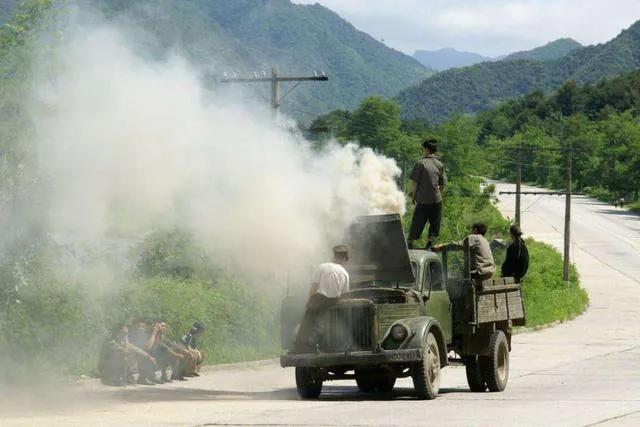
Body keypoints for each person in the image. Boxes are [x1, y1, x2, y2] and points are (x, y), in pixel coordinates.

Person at [295, 245, 350, 352]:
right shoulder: (345, 274)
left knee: (307, 322)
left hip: (319, 299)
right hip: (334, 302)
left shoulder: (322, 266)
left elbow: (314, 286)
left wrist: (309, 300)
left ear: (333, 257)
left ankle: (300, 347)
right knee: (326, 323)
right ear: (344, 259)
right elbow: (345, 294)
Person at [408, 138, 447, 250]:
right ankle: (429, 245)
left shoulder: (421, 163)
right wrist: (439, 196)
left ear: (426, 149)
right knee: (435, 223)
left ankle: (410, 244)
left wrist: (413, 197)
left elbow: (415, 183)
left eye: (423, 149)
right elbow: (442, 184)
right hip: (437, 200)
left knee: (417, 222)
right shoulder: (439, 164)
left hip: (423, 200)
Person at [128, 319, 161, 385]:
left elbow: (154, 346)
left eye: (143, 327)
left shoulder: (144, 335)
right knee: (147, 355)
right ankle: (142, 378)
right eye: (139, 326)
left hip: (138, 353)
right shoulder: (132, 335)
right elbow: (147, 347)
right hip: (131, 354)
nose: (141, 328)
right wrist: (154, 332)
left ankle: (150, 376)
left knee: (152, 353)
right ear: (134, 326)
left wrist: (157, 333)